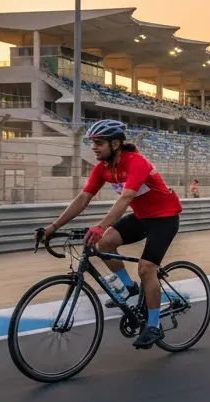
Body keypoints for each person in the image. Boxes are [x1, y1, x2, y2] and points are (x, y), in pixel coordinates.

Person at [39, 119, 183, 348]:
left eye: (99, 142)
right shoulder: (103, 169)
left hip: (164, 218)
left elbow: (126, 198)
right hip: (142, 217)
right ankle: (128, 287)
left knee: (146, 268)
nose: (94, 147)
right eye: (92, 142)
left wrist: (100, 226)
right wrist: (53, 227)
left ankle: (154, 326)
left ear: (115, 144)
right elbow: (83, 198)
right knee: (104, 244)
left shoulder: (136, 162)